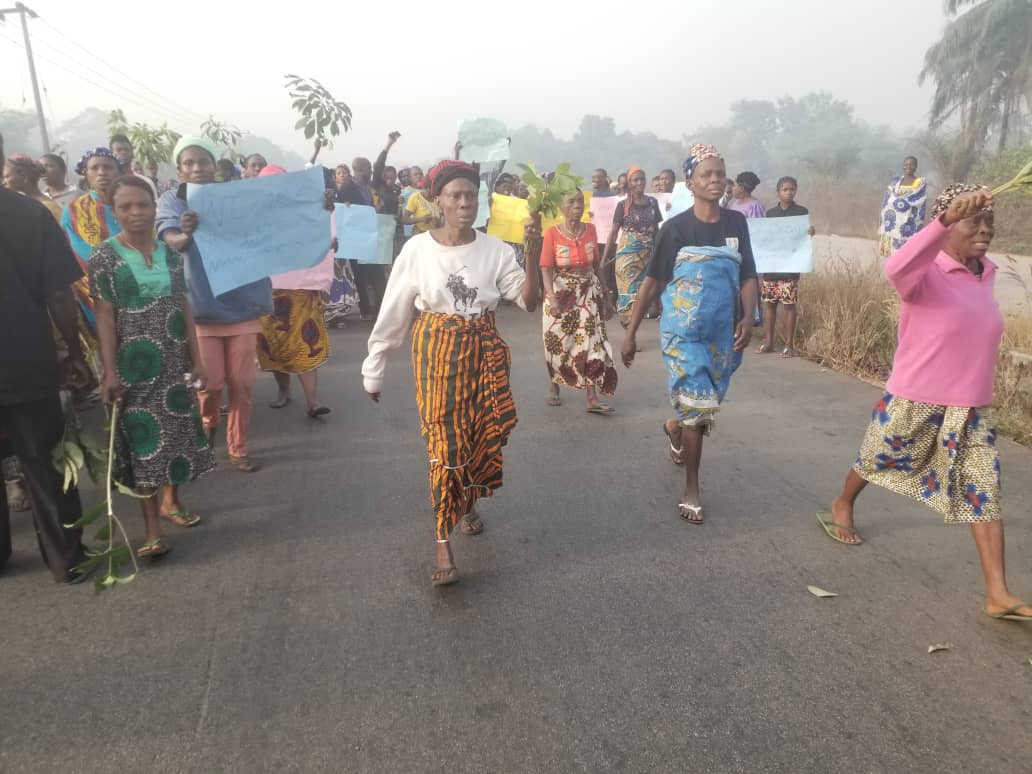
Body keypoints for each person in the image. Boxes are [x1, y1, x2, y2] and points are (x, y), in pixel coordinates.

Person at [820, 185, 1031, 622]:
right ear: (948, 225)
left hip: (971, 409)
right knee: (876, 460)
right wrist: (944, 219)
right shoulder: (924, 272)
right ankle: (843, 503)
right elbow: (895, 265)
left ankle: (998, 593)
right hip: (914, 398)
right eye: (974, 221)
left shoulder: (986, 273)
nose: (985, 230)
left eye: (989, 222)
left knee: (983, 492)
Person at [361, 160, 540, 587]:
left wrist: (532, 250)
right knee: (445, 440)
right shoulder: (417, 250)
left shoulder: (496, 250)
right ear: (438, 200)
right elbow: (394, 308)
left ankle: (468, 501)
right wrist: (375, 365)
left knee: (478, 435)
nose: (463, 203)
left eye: (470, 196)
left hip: (484, 350)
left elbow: (528, 301)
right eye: (455, 196)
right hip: (437, 351)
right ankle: (442, 536)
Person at [621, 144, 759, 524]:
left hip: (722, 333)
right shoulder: (675, 229)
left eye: (720, 174)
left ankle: (674, 428)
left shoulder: (736, 224)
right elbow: (652, 282)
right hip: (683, 334)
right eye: (706, 175)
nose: (715, 180)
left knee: (701, 404)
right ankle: (692, 489)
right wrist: (631, 333)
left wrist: (748, 318)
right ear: (691, 182)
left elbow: (748, 274)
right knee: (698, 408)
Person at [89, 176, 215, 555]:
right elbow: (104, 316)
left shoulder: (171, 256)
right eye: (125, 207)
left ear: (154, 207)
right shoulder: (104, 257)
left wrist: (198, 358)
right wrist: (109, 371)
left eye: (143, 204)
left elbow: (183, 306)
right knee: (143, 442)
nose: (136, 213)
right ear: (114, 212)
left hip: (174, 364)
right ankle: (151, 533)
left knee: (175, 436)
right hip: (133, 368)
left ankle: (171, 501)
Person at [0, 143, 93, 583]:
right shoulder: (30, 214)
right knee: (44, 461)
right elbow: (59, 294)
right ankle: (66, 558)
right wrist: (74, 352)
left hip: (26, 360)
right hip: (27, 358)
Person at [157, 136, 273, 473]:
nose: (197, 168)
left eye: (203, 161)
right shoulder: (173, 200)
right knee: (210, 385)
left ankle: (238, 447)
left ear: (214, 165)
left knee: (242, 382)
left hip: (244, 303)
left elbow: (275, 219)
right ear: (179, 168)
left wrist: (317, 207)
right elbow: (172, 240)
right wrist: (187, 233)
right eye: (189, 163)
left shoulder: (234, 195)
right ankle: (207, 427)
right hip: (201, 306)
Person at [256, 165, 333, 418]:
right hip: (268, 292)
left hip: (301, 292)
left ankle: (313, 401)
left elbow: (325, 239)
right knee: (274, 346)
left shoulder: (305, 212)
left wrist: (325, 212)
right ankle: (283, 391)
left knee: (305, 343)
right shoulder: (252, 217)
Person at [540, 190, 618, 413]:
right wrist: (552, 298)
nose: (577, 206)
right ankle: (555, 383)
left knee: (592, 343)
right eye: (571, 202)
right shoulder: (552, 233)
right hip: (560, 295)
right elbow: (546, 268)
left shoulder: (590, 230)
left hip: (587, 293)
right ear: (561, 207)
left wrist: (606, 295)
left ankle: (591, 397)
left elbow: (596, 266)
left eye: (580, 201)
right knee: (558, 344)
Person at [62, 147, 123, 379]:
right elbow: (78, 256)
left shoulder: (132, 202)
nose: (101, 173)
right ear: (85, 174)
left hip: (140, 293)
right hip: (94, 298)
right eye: (94, 168)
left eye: (108, 167)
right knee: (112, 366)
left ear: (118, 171)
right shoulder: (74, 211)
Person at [757, 176, 815, 357]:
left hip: (790, 267)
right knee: (770, 305)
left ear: (796, 190)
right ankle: (769, 342)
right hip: (772, 266)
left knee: (789, 305)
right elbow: (766, 238)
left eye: (792, 189)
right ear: (778, 192)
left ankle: (789, 345)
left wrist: (810, 232)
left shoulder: (801, 212)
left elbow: (803, 236)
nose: (789, 192)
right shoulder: (770, 214)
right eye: (785, 189)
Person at [602, 167, 664, 327]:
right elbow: (613, 233)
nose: (639, 182)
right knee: (628, 293)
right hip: (627, 257)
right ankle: (628, 327)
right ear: (629, 183)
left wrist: (660, 253)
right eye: (635, 180)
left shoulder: (653, 203)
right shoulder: (623, 205)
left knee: (643, 294)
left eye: (642, 179)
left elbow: (656, 230)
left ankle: (631, 327)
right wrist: (603, 260)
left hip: (647, 256)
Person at [878, 155, 928, 257]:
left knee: (905, 255)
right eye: (906, 164)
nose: (908, 166)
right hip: (893, 224)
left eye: (911, 164)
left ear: (916, 166)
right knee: (892, 255)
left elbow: (917, 199)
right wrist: (893, 206)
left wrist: (899, 203)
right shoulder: (895, 182)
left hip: (909, 223)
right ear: (903, 166)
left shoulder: (920, 182)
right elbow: (888, 199)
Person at [4, 154, 62, 221]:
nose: (3, 182)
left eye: (7, 176)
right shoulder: (26, 205)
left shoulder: (47, 207)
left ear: (24, 177)